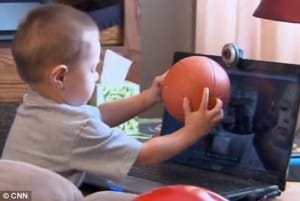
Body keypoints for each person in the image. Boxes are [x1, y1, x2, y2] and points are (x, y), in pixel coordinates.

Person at [1, 3, 223, 187]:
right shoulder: (76, 129)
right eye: (91, 69)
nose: (96, 76)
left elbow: (97, 115)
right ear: (59, 77)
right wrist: (191, 132)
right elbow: (144, 154)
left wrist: (148, 97)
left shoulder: (36, 103)